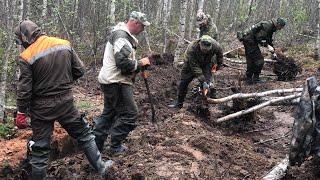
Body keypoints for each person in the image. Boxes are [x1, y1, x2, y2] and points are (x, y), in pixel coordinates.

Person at [13, 20, 113, 179]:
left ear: (25, 37)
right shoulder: (64, 44)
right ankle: (101, 168)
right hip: (66, 104)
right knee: (85, 135)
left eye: (20, 40)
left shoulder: (26, 56)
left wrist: (21, 112)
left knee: (40, 150)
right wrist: (63, 83)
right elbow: (79, 71)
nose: (21, 45)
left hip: (41, 110)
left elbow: (24, 90)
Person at [93, 11, 151, 154]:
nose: (143, 30)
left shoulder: (123, 35)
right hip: (116, 82)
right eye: (142, 26)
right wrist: (140, 63)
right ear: (136, 23)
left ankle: (94, 146)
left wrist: (137, 67)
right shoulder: (121, 36)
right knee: (130, 114)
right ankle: (115, 145)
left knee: (109, 114)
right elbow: (123, 63)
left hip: (111, 80)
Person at [169, 35, 223, 109]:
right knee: (184, 82)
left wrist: (219, 65)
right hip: (190, 65)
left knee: (207, 84)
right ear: (200, 44)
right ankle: (179, 103)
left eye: (207, 50)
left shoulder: (215, 45)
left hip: (206, 64)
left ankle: (203, 103)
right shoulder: (192, 48)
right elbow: (195, 67)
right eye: (204, 50)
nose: (205, 51)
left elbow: (220, 54)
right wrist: (203, 80)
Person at [237, 17, 286, 84]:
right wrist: (267, 46)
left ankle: (249, 79)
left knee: (251, 59)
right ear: (278, 24)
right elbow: (259, 38)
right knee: (259, 60)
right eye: (281, 27)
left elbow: (268, 38)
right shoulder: (268, 26)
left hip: (249, 39)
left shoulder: (271, 26)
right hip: (249, 40)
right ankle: (255, 79)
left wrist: (272, 49)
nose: (281, 29)